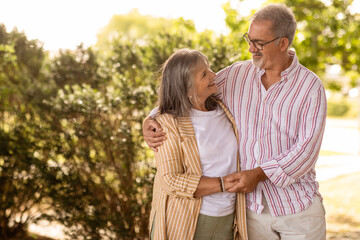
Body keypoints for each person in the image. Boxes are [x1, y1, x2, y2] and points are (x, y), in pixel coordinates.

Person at [143, 4, 327, 240]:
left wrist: (258, 174)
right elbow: (187, 90)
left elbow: (306, 151)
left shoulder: (310, 87)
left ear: (283, 43)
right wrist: (150, 118)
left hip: (297, 208)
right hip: (251, 211)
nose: (251, 49)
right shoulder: (236, 75)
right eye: (248, 39)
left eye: (259, 43)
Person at [148, 48, 248, 240]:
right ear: (186, 89)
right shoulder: (168, 122)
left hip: (228, 217)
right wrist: (222, 183)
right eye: (204, 74)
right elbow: (171, 181)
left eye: (209, 68)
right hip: (187, 221)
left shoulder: (223, 109)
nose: (213, 75)